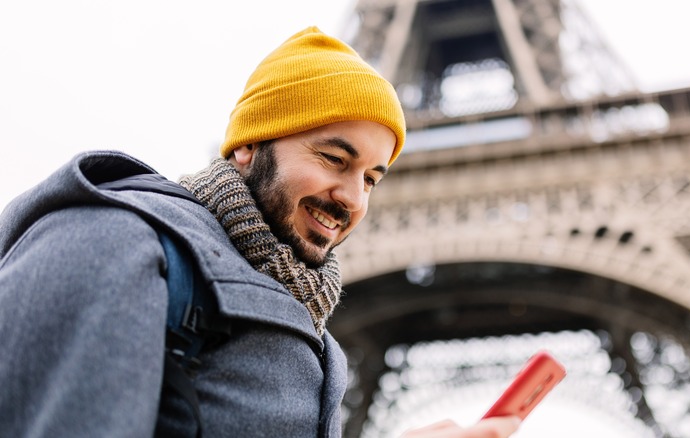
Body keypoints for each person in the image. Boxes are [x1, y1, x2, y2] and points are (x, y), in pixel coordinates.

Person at [0, 27, 520, 437]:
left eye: (370, 179)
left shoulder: (306, 321)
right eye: (334, 159)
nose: (353, 199)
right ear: (249, 145)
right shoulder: (110, 242)